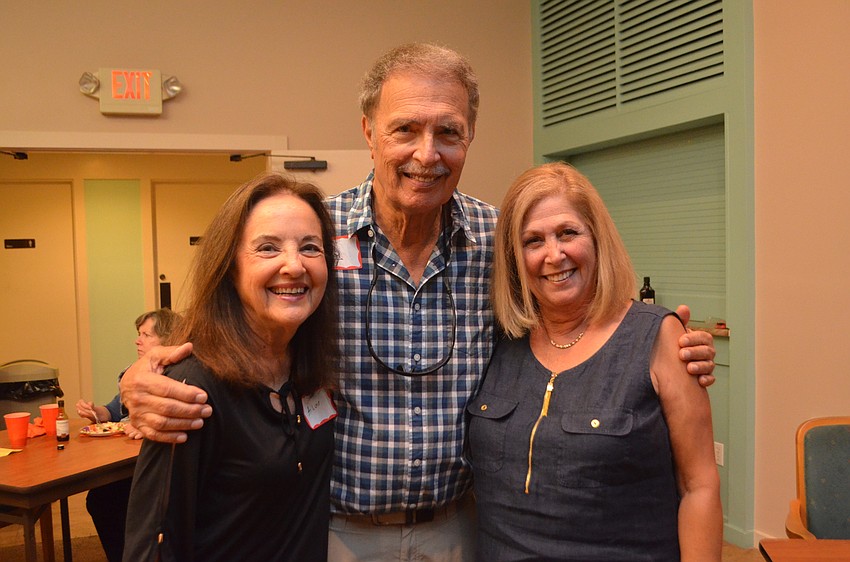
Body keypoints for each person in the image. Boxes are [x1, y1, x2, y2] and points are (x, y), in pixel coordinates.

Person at [118, 43, 717, 561]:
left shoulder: (501, 242)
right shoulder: (315, 240)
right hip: (335, 531)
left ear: (469, 136)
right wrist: (142, 377)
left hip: (460, 529)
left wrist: (662, 342)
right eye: (405, 129)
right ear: (368, 132)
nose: (427, 154)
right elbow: (231, 328)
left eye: (448, 132)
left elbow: (575, 312)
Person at [467, 162, 722, 561]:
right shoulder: (499, 339)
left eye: (568, 233)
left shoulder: (658, 337)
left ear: (597, 238)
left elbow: (699, 487)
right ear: (515, 257)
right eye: (533, 241)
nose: (555, 255)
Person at [122, 173, 340, 561]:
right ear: (230, 267)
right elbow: (152, 543)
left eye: (310, 247)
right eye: (268, 248)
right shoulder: (191, 389)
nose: (294, 265)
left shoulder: (308, 366)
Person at [75, 308, 180, 562]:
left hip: (164, 467)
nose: (137, 340)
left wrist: (146, 425)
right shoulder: (133, 372)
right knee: (101, 496)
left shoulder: (178, 375)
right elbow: (114, 410)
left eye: (146, 335)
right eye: (138, 334)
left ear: (167, 340)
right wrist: (95, 412)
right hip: (128, 459)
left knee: (104, 499)